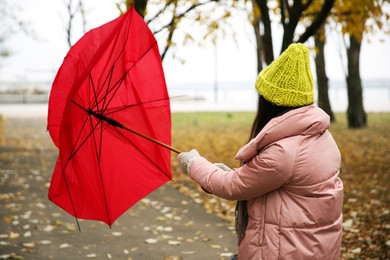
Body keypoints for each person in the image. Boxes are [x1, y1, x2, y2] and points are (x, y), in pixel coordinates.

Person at [178, 43, 343, 260]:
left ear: (272, 103)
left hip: (283, 252)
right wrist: (228, 172)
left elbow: (233, 186)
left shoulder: (284, 152)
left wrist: (193, 164)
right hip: (312, 249)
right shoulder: (322, 138)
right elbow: (267, 179)